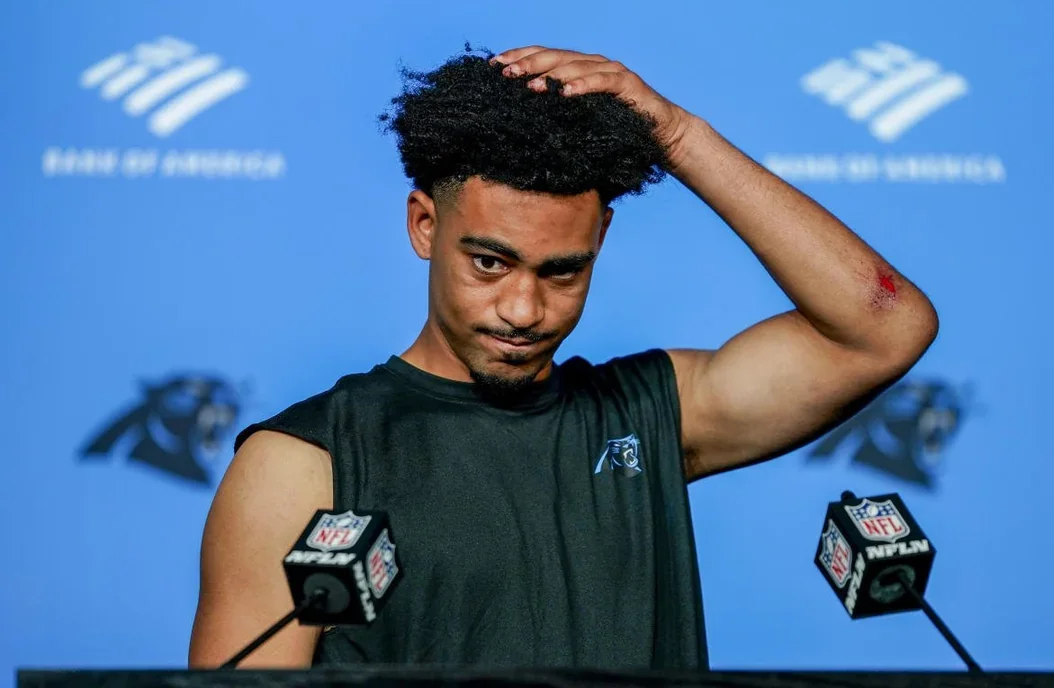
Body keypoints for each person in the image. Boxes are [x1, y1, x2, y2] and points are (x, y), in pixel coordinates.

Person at [187, 44, 938, 670]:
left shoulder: (654, 413)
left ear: (599, 241)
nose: (523, 310)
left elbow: (884, 328)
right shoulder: (303, 462)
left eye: (562, 271)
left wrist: (680, 139)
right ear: (424, 226)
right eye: (489, 263)